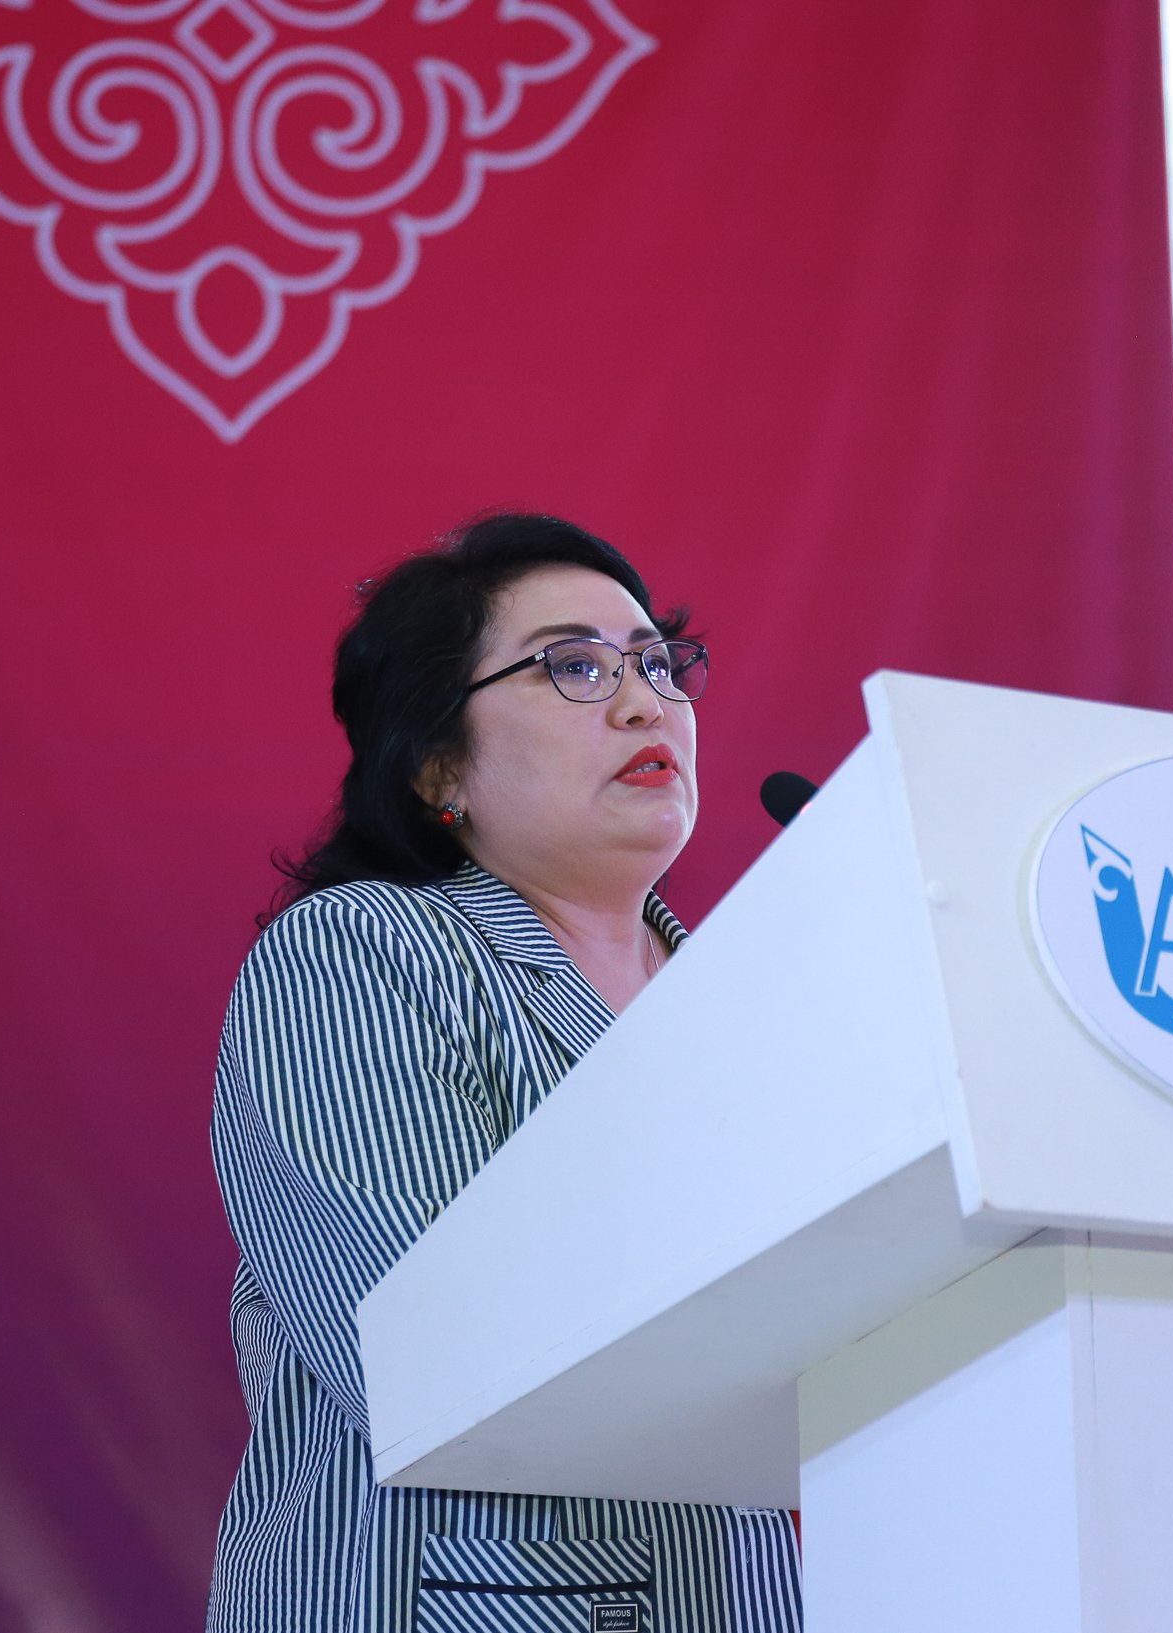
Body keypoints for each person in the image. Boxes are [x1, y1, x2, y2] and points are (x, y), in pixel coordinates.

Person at [207, 514, 803, 1632]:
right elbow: (425, 1347)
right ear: (439, 764)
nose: (644, 703)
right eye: (572, 666)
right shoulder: (359, 954)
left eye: (655, 662)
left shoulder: (756, 999)